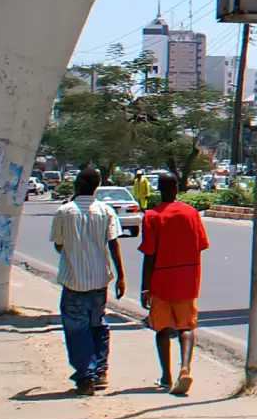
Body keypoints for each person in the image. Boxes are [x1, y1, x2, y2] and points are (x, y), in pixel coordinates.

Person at [50, 167, 125, 395]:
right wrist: (121, 276)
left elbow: (59, 245)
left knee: (76, 329)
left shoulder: (64, 212)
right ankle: (101, 371)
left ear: (78, 184)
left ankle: (86, 377)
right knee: (98, 325)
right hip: (100, 280)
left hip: (74, 281)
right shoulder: (106, 211)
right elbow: (114, 244)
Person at [140, 173, 210, 395]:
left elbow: (149, 254)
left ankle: (166, 377)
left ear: (158, 188)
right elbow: (200, 245)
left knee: (162, 328)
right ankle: (185, 368)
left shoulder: (152, 216)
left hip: (161, 279)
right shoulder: (191, 213)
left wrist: (145, 287)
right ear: (178, 187)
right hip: (188, 278)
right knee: (186, 326)